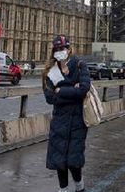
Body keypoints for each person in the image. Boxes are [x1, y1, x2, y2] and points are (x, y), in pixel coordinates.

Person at [43, 35, 90, 192]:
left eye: (62, 49)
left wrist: (61, 90)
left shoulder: (79, 65)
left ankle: (79, 186)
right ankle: (63, 189)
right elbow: (50, 97)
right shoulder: (50, 71)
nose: (59, 52)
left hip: (77, 121)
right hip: (59, 121)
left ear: (69, 49)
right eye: (56, 49)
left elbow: (84, 89)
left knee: (73, 159)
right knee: (59, 159)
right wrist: (73, 90)